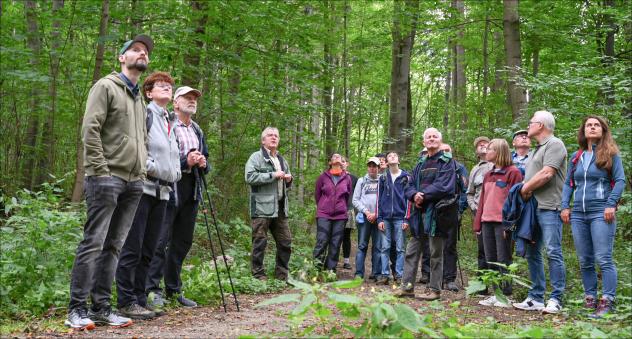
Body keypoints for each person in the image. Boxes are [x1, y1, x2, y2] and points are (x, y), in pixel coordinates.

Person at [66, 34, 153, 330]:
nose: (142, 54)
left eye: (146, 52)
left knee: (114, 246)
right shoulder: (106, 86)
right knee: (94, 243)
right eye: (136, 50)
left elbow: (143, 139)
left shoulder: (140, 98)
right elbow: (90, 130)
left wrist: (141, 173)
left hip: (133, 181)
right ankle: (76, 309)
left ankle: (102, 307)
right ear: (122, 57)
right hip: (106, 178)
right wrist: (101, 171)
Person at [115, 72, 181, 320]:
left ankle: (140, 299)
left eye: (169, 86)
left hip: (164, 192)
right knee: (133, 246)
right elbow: (133, 144)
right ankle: (125, 300)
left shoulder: (169, 119)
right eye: (160, 86)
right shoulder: (146, 113)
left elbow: (172, 155)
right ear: (149, 92)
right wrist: (150, 166)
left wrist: (173, 174)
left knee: (150, 249)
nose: (166, 88)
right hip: (142, 188)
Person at [146, 86, 208, 309]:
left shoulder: (198, 130)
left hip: (192, 189)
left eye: (194, 99)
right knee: (160, 239)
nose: (192, 101)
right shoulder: (167, 123)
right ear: (176, 103)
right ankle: (152, 290)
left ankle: (173, 289)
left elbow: (206, 158)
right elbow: (164, 158)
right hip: (170, 185)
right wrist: (186, 162)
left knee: (182, 241)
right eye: (187, 98)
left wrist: (202, 162)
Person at [561, 116, 625, 318]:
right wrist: (564, 206)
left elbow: (620, 180)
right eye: (589, 125)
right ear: (584, 131)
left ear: (603, 130)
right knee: (585, 260)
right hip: (578, 214)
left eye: (596, 125)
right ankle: (590, 299)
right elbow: (569, 184)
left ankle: (607, 301)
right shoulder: (576, 156)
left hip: (601, 212)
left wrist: (611, 204)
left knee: (603, 258)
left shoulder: (611, 155)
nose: (592, 127)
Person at [513, 110, 567, 314]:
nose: (528, 126)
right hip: (533, 208)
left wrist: (525, 189)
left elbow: (547, 174)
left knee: (553, 251)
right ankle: (536, 297)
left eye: (531, 122)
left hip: (550, 207)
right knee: (532, 253)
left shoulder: (555, 144)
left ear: (541, 125)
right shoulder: (537, 149)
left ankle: (556, 298)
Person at [396, 128, 457, 301]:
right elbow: (408, 184)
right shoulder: (420, 164)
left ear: (440, 140)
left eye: (435, 136)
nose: (431, 139)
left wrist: (422, 195)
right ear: (424, 142)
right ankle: (407, 287)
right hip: (418, 215)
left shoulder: (447, 162)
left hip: (437, 215)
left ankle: (435, 290)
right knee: (411, 251)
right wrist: (414, 195)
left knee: (436, 253)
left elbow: (444, 186)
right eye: (428, 137)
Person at [473, 139, 523, 308]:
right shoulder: (488, 175)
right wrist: (477, 224)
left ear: (500, 151)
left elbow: (517, 201)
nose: (487, 151)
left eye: (490, 149)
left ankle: (506, 295)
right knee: (490, 259)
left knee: (504, 258)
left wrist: (510, 225)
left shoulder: (513, 172)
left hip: (502, 223)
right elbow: (482, 202)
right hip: (486, 221)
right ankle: (496, 293)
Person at [244, 127, 293, 281]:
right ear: (263, 140)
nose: (273, 138)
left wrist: (289, 180)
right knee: (259, 242)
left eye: (276, 136)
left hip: (279, 207)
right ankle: (258, 275)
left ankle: (281, 275)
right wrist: (272, 175)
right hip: (261, 207)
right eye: (270, 135)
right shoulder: (256, 157)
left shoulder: (281, 160)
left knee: (285, 241)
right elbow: (249, 177)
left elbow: (286, 183)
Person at [314, 153, 353, 272]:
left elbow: (347, 196)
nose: (336, 158)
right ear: (330, 162)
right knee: (322, 240)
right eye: (334, 157)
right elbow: (317, 195)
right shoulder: (323, 177)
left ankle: (330, 270)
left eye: (339, 157)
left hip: (340, 216)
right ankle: (316, 269)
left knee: (336, 242)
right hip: (324, 214)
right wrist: (324, 205)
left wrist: (341, 207)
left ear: (342, 162)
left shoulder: (347, 178)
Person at [376, 151, 410, 284]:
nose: (392, 157)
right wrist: (379, 219)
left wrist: (406, 219)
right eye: (389, 156)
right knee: (385, 247)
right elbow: (379, 199)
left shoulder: (406, 177)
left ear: (398, 160)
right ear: (386, 161)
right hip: (385, 218)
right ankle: (385, 275)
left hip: (400, 217)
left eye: (395, 155)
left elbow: (408, 200)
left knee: (400, 248)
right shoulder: (383, 178)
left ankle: (400, 275)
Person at [465, 136, 492, 289]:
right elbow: (469, 192)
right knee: (482, 250)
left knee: (499, 250)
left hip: (497, 214)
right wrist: (474, 208)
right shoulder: (475, 169)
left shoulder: (498, 164)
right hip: (479, 215)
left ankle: (502, 288)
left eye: (485, 143)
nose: (482, 145)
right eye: (479, 144)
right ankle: (482, 286)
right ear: (476, 151)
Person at [352, 157, 381, 279]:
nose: (372, 168)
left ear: (379, 168)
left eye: (374, 166)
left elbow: (385, 199)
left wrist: (376, 213)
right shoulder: (361, 181)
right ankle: (359, 273)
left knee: (378, 246)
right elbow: (355, 200)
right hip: (364, 218)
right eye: (370, 166)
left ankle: (376, 273)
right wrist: (367, 212)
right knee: (362, 245)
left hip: (379, 217)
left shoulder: (383, 180)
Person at [341, 156, 358, 270]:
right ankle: (332, 260)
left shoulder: (354, 178)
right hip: (334, 210)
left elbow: (357, 195)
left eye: (343, 161)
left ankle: (346, 261)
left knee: (346, 236)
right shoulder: (333, 176)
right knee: (335, 236)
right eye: (339, 161)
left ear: (347, 163)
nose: (341, 163)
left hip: (348, 209)